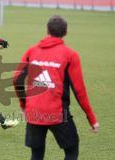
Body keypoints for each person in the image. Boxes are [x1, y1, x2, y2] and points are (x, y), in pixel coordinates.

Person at [13, 15, 99, 160]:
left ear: (47, 30)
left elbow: (16, 79)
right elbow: (79, 91)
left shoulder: (31, 51)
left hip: (34, 112)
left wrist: (24, 104)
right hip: (58, 114)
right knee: (72, 151)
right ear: (65, 32)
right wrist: (92, 119)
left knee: (36, 154)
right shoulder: (70, 55)